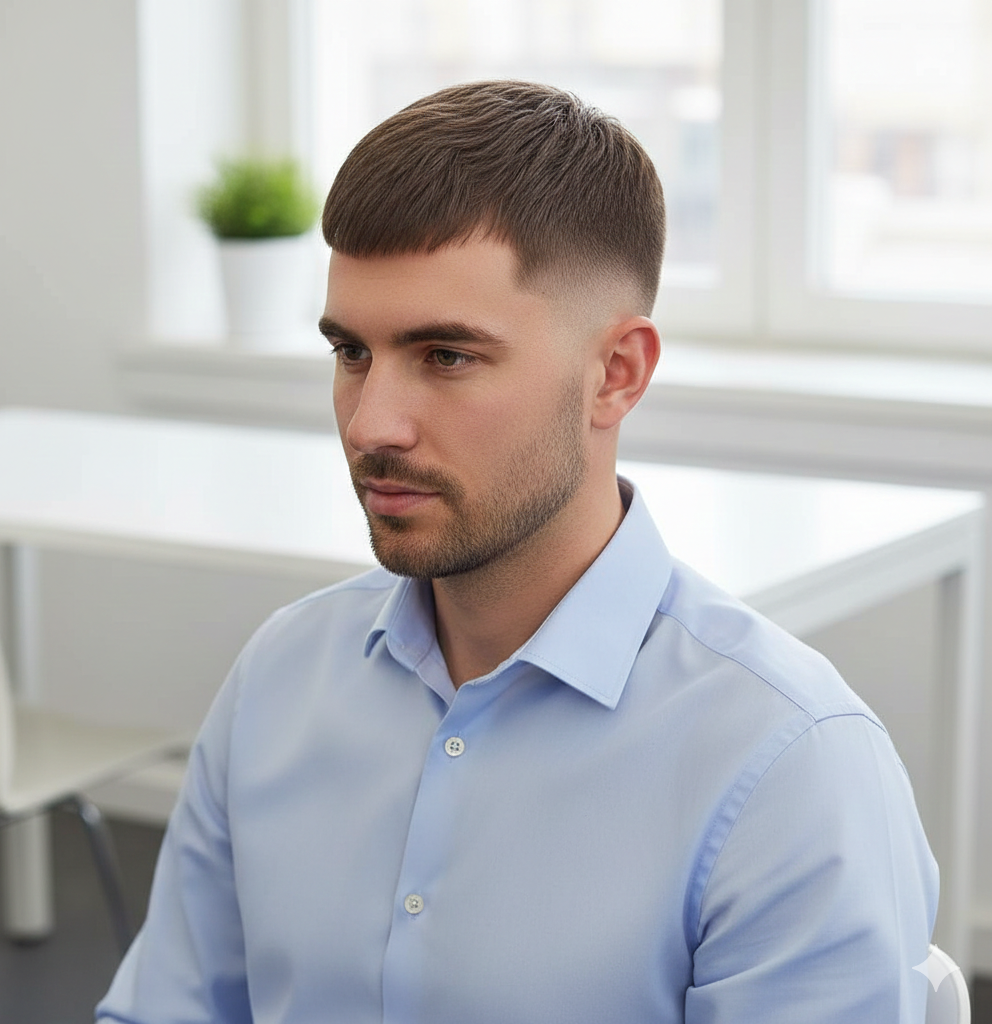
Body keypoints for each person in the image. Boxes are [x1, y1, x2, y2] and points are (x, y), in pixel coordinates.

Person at [97, 81, 937, 1024]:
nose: (372, 424)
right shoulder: (279, 678)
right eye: (351, 352)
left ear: (615, 374)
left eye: (446, 356)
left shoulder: (789, 766)